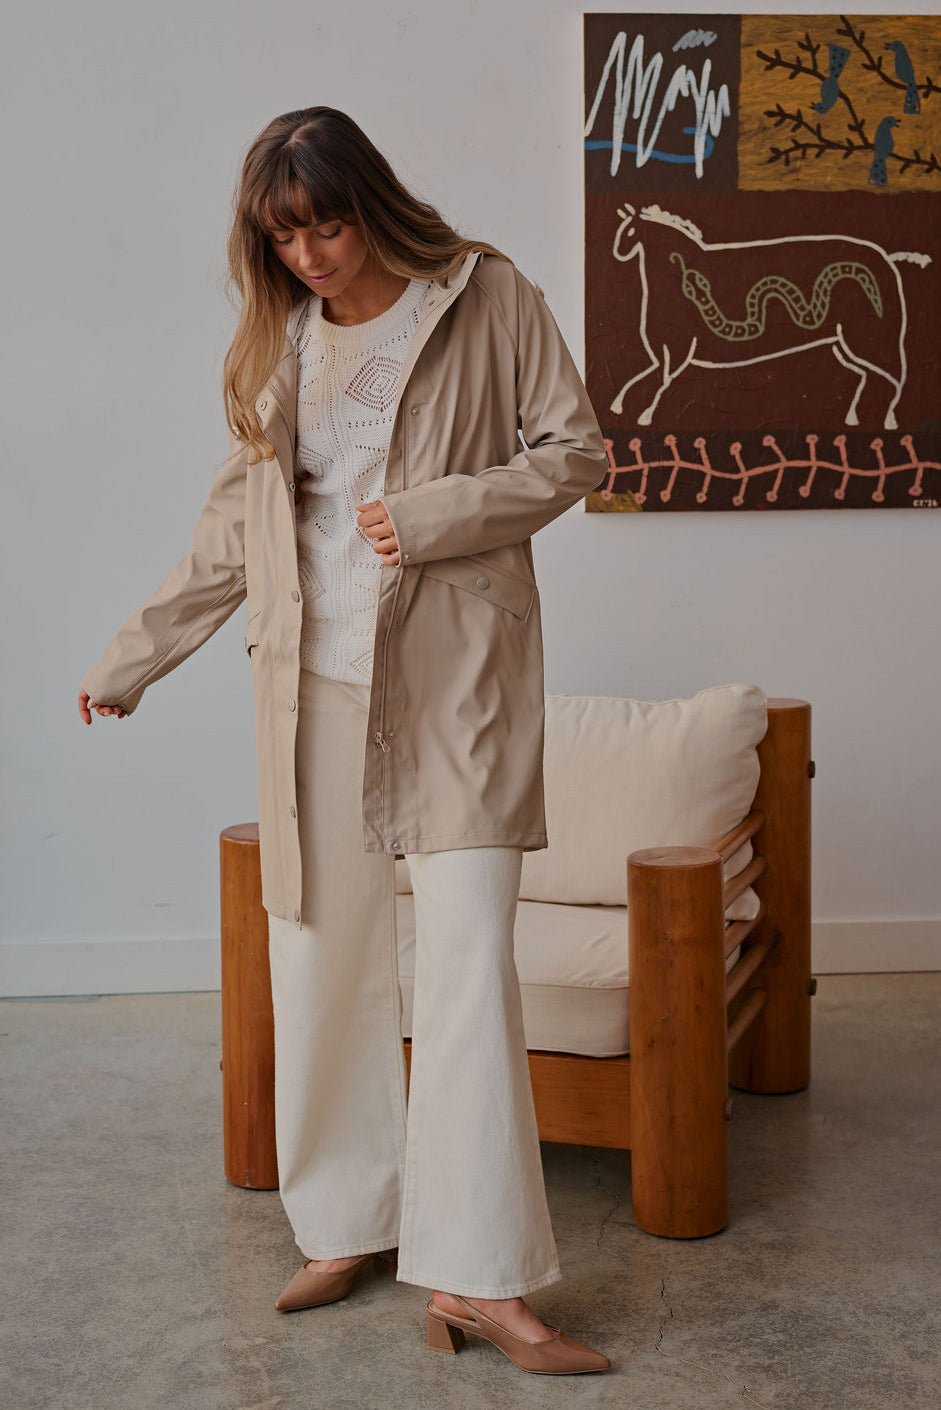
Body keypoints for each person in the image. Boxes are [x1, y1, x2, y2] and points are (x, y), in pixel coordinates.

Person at [78, 106, 611, 1376]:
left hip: (452, 681)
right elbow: (233, 534)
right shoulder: (279, 344)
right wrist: (132, 660)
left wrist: (430, 516)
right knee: (320, 955)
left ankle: (480, 1276)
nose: (311, 254)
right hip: (311, 685)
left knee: (468, 962)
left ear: (369, 202)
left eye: (326, 224)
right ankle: (344, 1221)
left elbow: (577, 453)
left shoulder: (484, 297)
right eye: (284, 236)